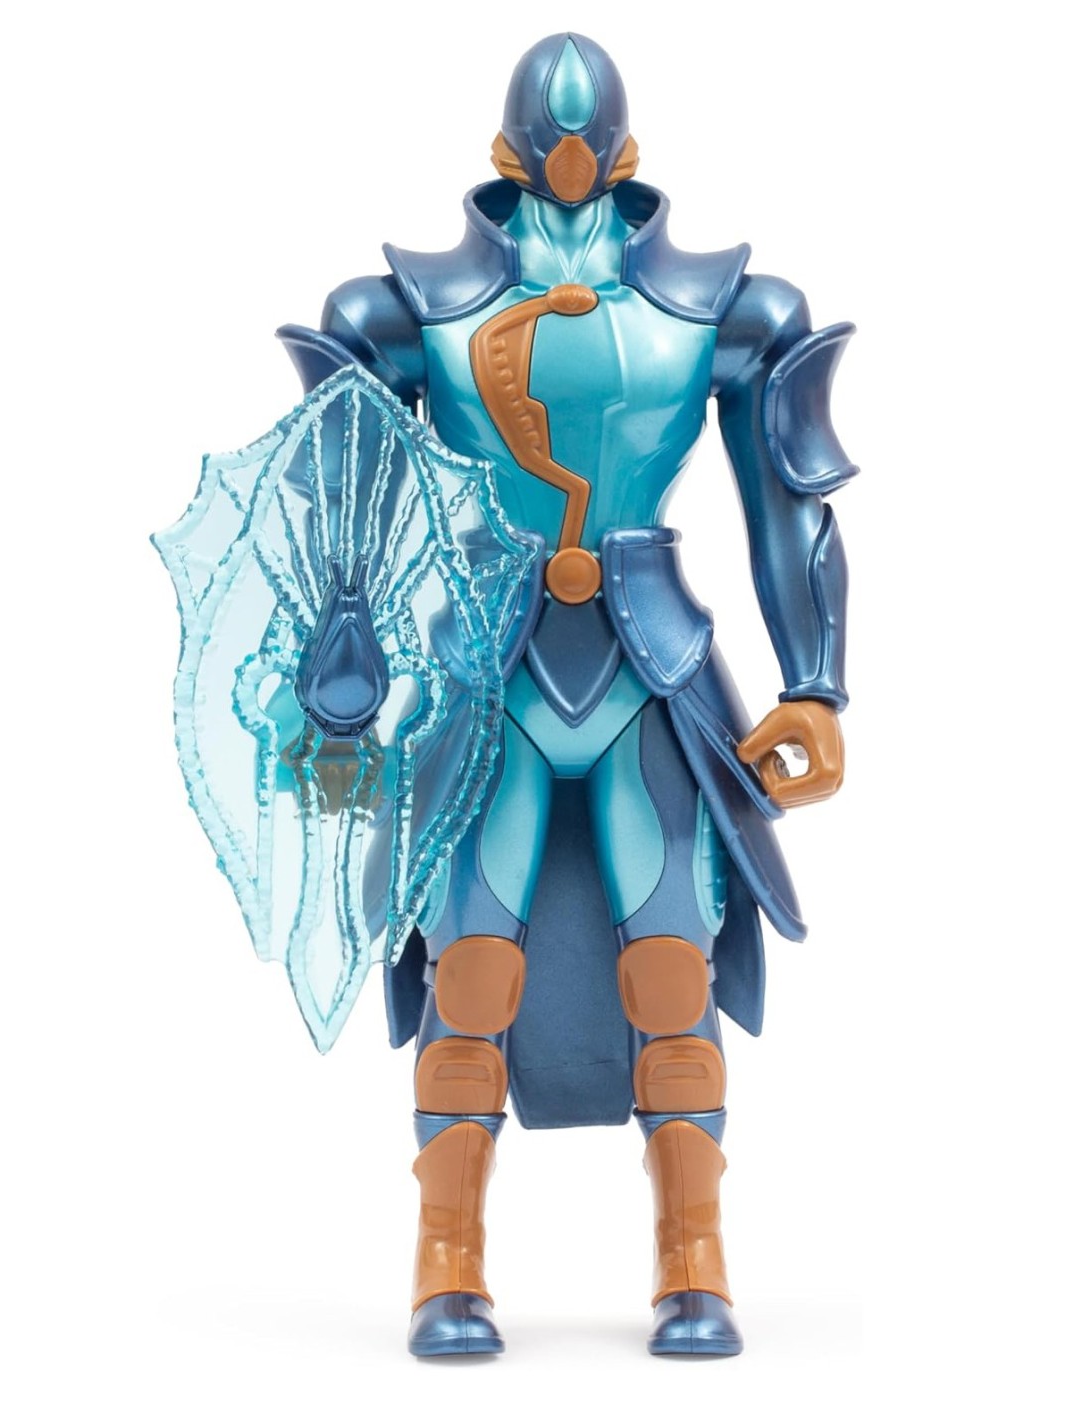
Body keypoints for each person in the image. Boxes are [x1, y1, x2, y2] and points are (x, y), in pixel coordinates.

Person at [276, 31, 856, 1358]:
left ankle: (694, 1260)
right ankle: (446, 1263)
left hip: (652, 667)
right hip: (488, 674)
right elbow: (343, 506)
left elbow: (791, 505)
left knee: (673, 957)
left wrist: (817, 682)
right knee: (470, 960)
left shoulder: (725, 310)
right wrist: (340, 685)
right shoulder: (411, 310)